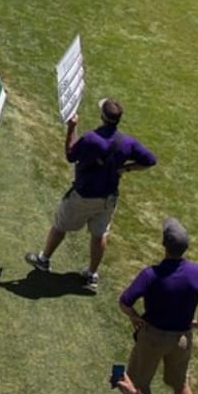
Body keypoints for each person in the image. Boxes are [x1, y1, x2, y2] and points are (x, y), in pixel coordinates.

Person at [24, 97, 157, 293]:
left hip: (83, 196)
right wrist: (126, 169)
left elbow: (70, 155)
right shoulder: (127, 142)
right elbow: (150, 160)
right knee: (99, 234)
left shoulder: (91, 138)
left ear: (102, 117)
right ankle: (92, 274)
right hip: (108, 199)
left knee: (60, 226)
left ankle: (44, 259)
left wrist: (72, 127)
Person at [118, 218, 198, 394]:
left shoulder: (150, 274)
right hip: (182, 339)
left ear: (164, 245)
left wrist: (134, 316)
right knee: (180, 384)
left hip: (152, 337)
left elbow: (124, 302)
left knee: (139, 385)